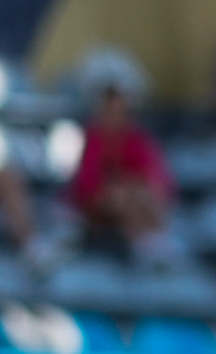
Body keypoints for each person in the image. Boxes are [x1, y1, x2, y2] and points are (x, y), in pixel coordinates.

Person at [60, 71, 175, 261]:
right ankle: (150, 248)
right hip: (89, 209)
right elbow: (86, 187)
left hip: (131, 204)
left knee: (137, 194)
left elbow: (156, 183)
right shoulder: (89, 139)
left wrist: (132, 189)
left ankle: (152, 245)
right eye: (110, 111)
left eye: (121, 112)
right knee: (123, 195)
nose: (115, 117)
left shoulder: (137, 139)